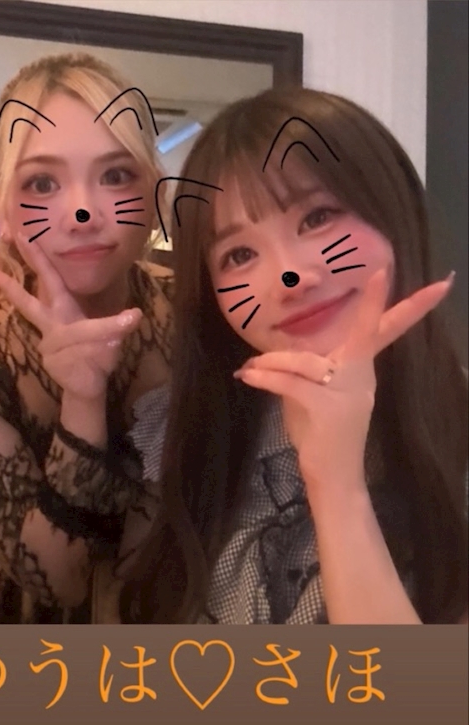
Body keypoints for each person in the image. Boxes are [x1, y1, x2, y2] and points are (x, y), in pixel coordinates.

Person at [94, 87, 468, 625]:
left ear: (395, 206)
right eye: (239, 254)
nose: (290, 278)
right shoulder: (182, 434)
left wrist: (337, 484)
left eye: (317, 217)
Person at [0, 52, 173, 624]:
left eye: (116, 175)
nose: (83, 212)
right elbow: (58, 582)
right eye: (43, 182)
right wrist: (83, 400)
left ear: (155, 196)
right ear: (2, 211)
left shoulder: (197, 311)